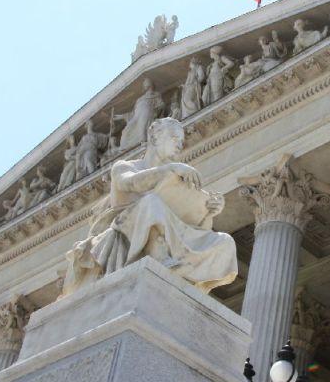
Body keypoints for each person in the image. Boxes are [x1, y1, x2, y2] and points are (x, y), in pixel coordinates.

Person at [62, 117, 237, 296]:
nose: (179, 145)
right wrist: (170, 169)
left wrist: (208, 212)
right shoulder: (124, 167)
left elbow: (194, 227)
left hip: (171, 236)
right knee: (152, 202)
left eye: (181, 141)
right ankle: (160, 260)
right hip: (128, 233)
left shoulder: (179, 180)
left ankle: (179, 275)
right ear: (154, 137)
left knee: (225, 242)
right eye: (174, 138)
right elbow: (130, 183)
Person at [116, 78, 165, 151]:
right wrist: (121, 116)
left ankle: (144, 144)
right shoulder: (140, 99)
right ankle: (124, 147)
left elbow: (161, 105)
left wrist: (155, 112)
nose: (145, 85)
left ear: (151, 85)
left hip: (147, 112)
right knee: (126, 130)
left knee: (143, 128)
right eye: (144, 84)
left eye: (147, 83)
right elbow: (133, 113)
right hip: (137, 116)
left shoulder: (156, 94)